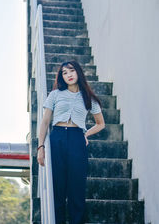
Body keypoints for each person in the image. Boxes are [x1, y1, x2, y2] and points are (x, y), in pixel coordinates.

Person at [37, 60, 105, 224]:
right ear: (61, 77)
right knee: (57, 188)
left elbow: (101, 123)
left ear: (78, 72)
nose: (68, 75)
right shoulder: (55, 94)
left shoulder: (88, 97)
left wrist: (85, 134)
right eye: (64, 73)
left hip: (77, 139)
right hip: (57, 138)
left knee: (77, 188)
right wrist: (41, 146)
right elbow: (45, 121)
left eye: (71, 71)